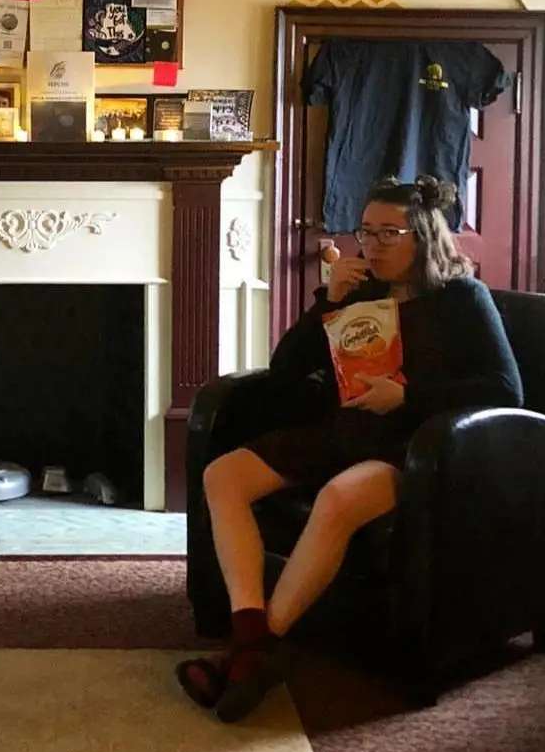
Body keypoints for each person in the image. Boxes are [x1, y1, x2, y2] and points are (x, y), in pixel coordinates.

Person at [176, 174, 524, 723]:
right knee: (224, 476)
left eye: (390, 233)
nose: (374, 245)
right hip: (341, 431)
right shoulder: (360, 292)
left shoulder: (462, 298)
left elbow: (506, 390)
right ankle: (253, 645)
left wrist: (407, 398)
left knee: (336, 499)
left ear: (425, 236)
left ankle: (249, 653)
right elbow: (287, 368)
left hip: (415, 446)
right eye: (367, 231)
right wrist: (327, 300)